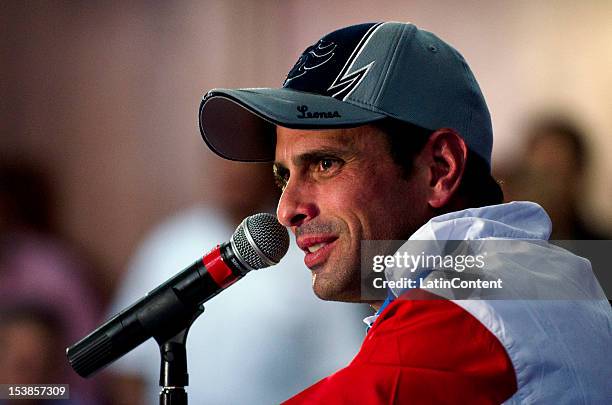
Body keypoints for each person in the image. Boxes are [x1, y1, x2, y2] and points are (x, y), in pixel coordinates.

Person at [197, 22, 612, 403]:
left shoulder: (470, 306)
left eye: (325, 164)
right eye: (284, 175)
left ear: (439, 169)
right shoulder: (516, 277)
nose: (287, 209)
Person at [106, 159, 368, 405]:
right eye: (223, 161)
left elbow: (344, 366)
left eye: (243, 162)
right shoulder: (170, 243)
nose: (233, 173)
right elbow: (127, 369)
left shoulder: (309, 252)